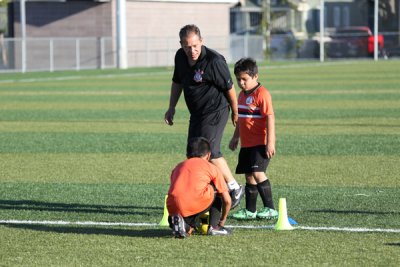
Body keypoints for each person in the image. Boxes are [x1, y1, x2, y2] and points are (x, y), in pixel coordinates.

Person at [164, 24, 244, 208]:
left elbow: (229, 88)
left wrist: (236, 111)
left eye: (195, 46)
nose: (192, 50)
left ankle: (234, 187)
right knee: (193, 154)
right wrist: (171, 107)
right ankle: (208, 192)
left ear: (201, 41)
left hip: (216, 110)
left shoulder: (214, 61)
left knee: (210, 151)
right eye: (187, 46)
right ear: (181, 45)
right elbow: (177, 82)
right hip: (197, 113)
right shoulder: (180, 57)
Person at [229, 58, 278, 220]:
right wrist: (235, 137)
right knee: (249, 175)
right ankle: (250, 211)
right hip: (246, 143)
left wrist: (270, 142)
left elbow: (270, 117)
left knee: (258, 173)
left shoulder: (262, 94)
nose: (241, 83)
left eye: (245, 79)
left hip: (260, 143)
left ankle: (270, 208)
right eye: (238, 79)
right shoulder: (242, 95)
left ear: (255, 76)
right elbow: (241, 118)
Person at [167, 137, 232, 238]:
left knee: (188, 230)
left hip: (172, 207)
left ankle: (183, 225)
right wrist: (222, 221)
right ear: (208, 155)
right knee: (216, 189)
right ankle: (215, 227)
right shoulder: (212, 168)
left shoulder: (178, 167)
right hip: (194, 204)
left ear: (187, 155)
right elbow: (227, 200)